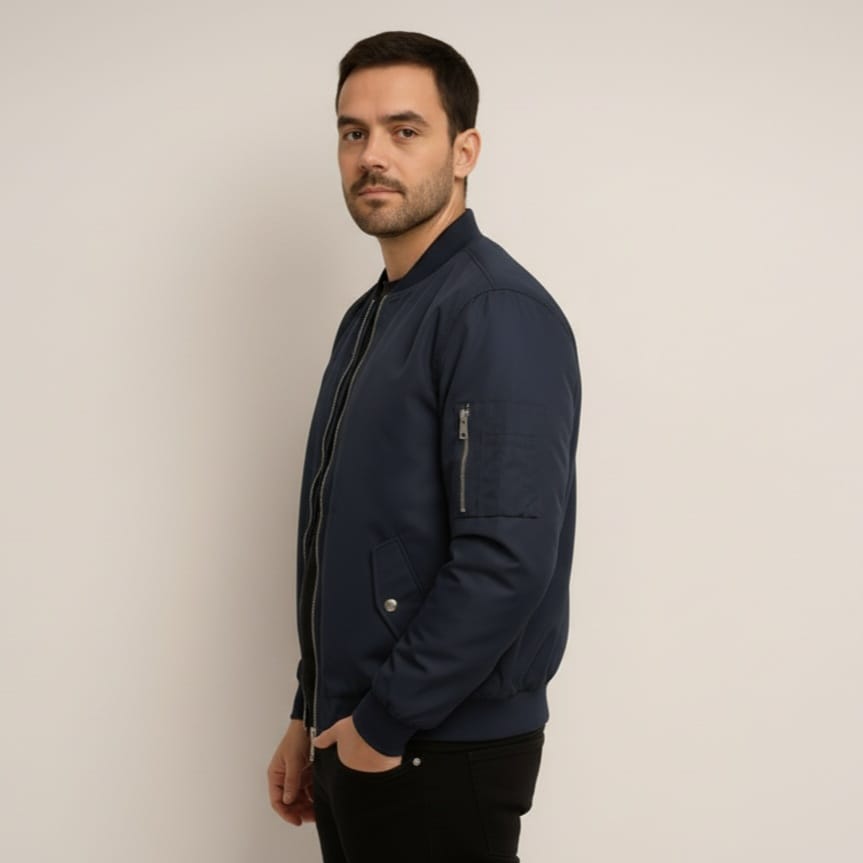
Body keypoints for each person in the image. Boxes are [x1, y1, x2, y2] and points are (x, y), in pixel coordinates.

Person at [268, 31, 581, 863]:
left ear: (463, 150)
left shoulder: (493, 312)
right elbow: (347, 534)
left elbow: (506, 559)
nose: (372, 154)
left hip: (436, 744)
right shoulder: (372, 317)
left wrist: (383, 720)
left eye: (404, 130)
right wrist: (309, 708)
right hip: (365, 728)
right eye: (353, 131)